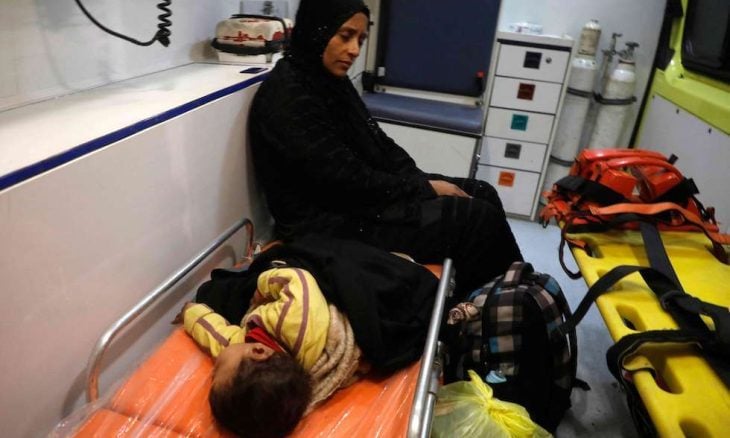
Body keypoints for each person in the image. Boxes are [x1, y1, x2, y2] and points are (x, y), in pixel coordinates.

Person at [250, 0, 523, 300]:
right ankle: (501, 309)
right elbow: (343, 181)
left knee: (482, 192)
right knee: (475, 220)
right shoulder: (287, 97)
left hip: (357, 203)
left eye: (360, 39)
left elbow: (379, 145)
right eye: (345, 36)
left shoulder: (328, 82)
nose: (354, 50)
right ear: (317, 30)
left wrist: (419, 181)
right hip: (326, 224)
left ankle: (504, 298)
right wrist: (423, 189)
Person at [182, 266, 363, 438]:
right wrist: (263, 285)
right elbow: (299, 279)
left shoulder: (241, 349)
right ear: (258, 351)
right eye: (217, 369)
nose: (214, 368)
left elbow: (215, 335)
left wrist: (190, 312)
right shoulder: (295, 321)